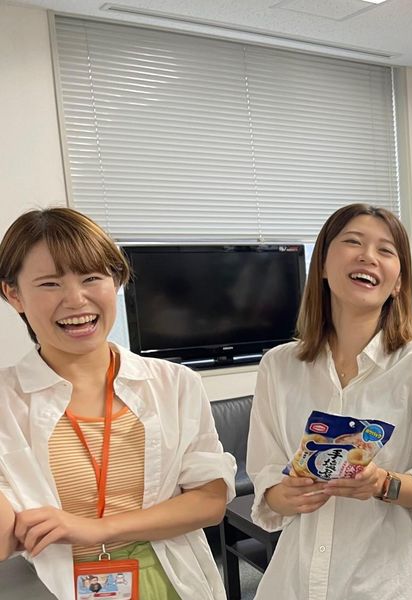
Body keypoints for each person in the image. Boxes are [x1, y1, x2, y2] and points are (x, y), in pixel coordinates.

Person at [0, 207, 236, 599]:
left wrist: (98, 528)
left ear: (116, 281)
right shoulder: (6, 401)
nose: (76, 300)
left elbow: (209, 502)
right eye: (50, 284)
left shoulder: (174, 383)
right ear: (14, 294)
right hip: (55, 586)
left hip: (170, 580)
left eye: (92, 278)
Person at [247, 203, 412, 600]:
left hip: (385, 585)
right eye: (353, 242)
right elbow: (265, 474)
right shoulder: (279, 366)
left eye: (385, 250)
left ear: (398, 282)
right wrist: (285, 494)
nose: (368, 256)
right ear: (323, 264)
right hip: (293, 583)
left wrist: (382, 483)